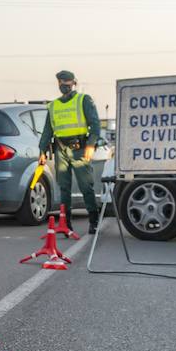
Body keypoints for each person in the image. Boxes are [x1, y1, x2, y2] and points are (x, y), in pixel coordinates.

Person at [39, 69, 104, 233]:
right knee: (64, 188)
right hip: (61, 150)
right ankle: (65, 224)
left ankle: (93, 221)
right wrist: (42, 150)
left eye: (67, 83)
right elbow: (48, 130)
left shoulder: (83, 100)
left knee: (85, 186)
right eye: (61, 83)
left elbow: (95, 125)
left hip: (79, 148)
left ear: (73, 83)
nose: (63, 85)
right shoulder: (53, 105)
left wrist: (91, 145)